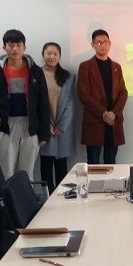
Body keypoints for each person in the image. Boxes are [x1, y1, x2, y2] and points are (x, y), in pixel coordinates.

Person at [0, 29, 50, 180]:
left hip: (30, 125)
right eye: (10, 45)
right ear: (4, 47)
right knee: (6, 172)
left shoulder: (35, 71)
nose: (15, 49)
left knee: (27, 172)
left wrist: (44, 132)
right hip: (6, 125)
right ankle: (7, 196)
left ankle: (26, 196)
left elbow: (43, 102)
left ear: (24, 47)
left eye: (18, 45)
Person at [78, 29, 128, 164]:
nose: (103, 45)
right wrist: (104, 113)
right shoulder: (85, 67)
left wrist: (114, 113)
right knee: (93, 162)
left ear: (110, 44)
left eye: (105, 42)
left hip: (113, 121)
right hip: (95, 120)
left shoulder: (116, 67)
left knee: (111, 161)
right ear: (92, 45)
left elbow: (123, 93)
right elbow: (83, 95)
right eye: (99, 43)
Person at [39, 42, 76, 194]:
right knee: (45, 167)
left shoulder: (67, 76)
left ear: (60, 56)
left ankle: (62, 198)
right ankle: (47, 199)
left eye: (55, 54)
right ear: (43, 54)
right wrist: (45, 126)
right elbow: (35, 104)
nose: (52, 57)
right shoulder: (36, 75)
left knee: (62, 167)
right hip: (44, 127)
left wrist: (62, 126)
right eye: (48, 53)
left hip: (62, 129)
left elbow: (70, 103)